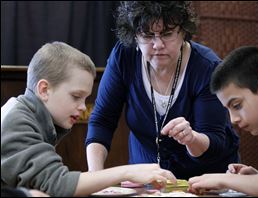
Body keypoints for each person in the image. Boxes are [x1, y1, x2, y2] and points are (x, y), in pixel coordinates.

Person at [86, 1, 240, 180]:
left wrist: (192, 138)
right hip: (147, 177)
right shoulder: (124, 57)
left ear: (183, 32)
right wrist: (94, 176)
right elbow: (102, 120)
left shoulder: (206, 67)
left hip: (204, 178)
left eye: (167, 34)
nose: (157, 44)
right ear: (135, 35)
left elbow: (214, 140)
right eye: (147, 35)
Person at [1, 41, 176, 197]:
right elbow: (58, 185)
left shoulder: (29, 115)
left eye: (85, 99)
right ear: (44, 89)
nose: (83, 107)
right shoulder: (17, 121)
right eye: (76, 96)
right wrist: (129, 172)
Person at [188, 46, 258, 197]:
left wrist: (224, 179)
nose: (233, 119)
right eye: (228, 110)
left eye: (237, 105)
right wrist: (257, 180)